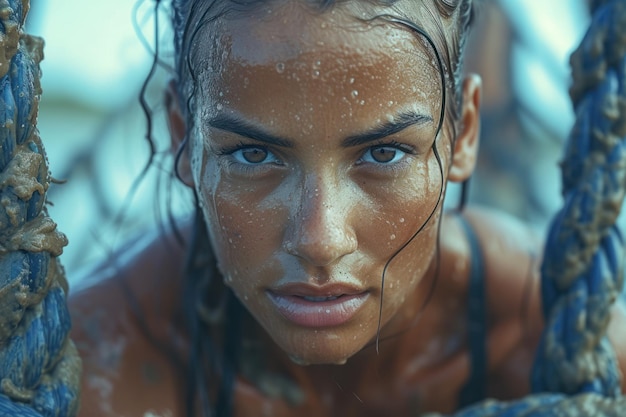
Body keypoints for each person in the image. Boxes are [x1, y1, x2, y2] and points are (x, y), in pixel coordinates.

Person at [67, 0, 626, 416]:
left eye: (383, 153)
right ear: (182, 138)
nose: (320, 239)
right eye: (253, 154)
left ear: (464, 132)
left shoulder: (547, 339)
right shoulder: (97, 366)